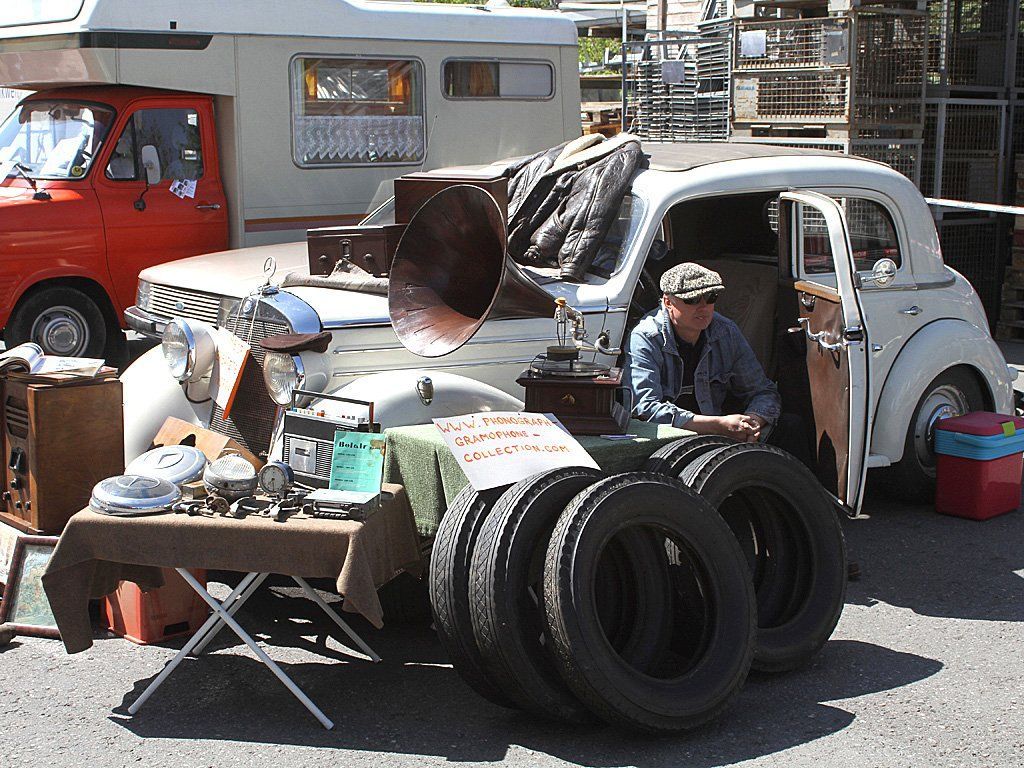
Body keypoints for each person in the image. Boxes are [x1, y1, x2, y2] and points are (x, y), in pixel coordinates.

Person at [625, 262, 806, 456]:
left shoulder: (726, 331)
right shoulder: (646, 337)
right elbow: (644, 408)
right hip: (670, 442)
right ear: (668, 302)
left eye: (711, 297)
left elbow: (763, 391)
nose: (703, 307)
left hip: (721, 436)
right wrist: (717, 425)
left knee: (791, 426)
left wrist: (751, 422)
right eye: (692, 299)